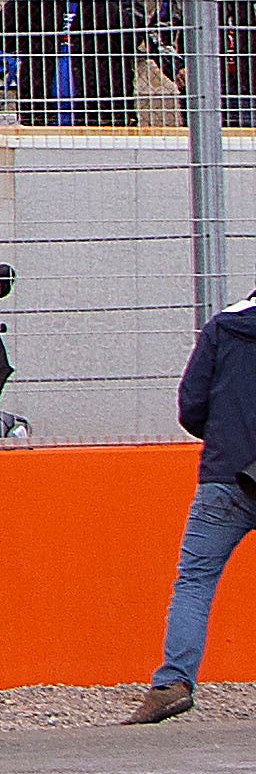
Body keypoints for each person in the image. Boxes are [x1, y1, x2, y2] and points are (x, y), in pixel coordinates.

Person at [135, 279, 256, 722]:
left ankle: (172, 684)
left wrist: (229, 440)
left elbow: (191, 406)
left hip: (226, 479)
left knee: (195, 582)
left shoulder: (223, 327)